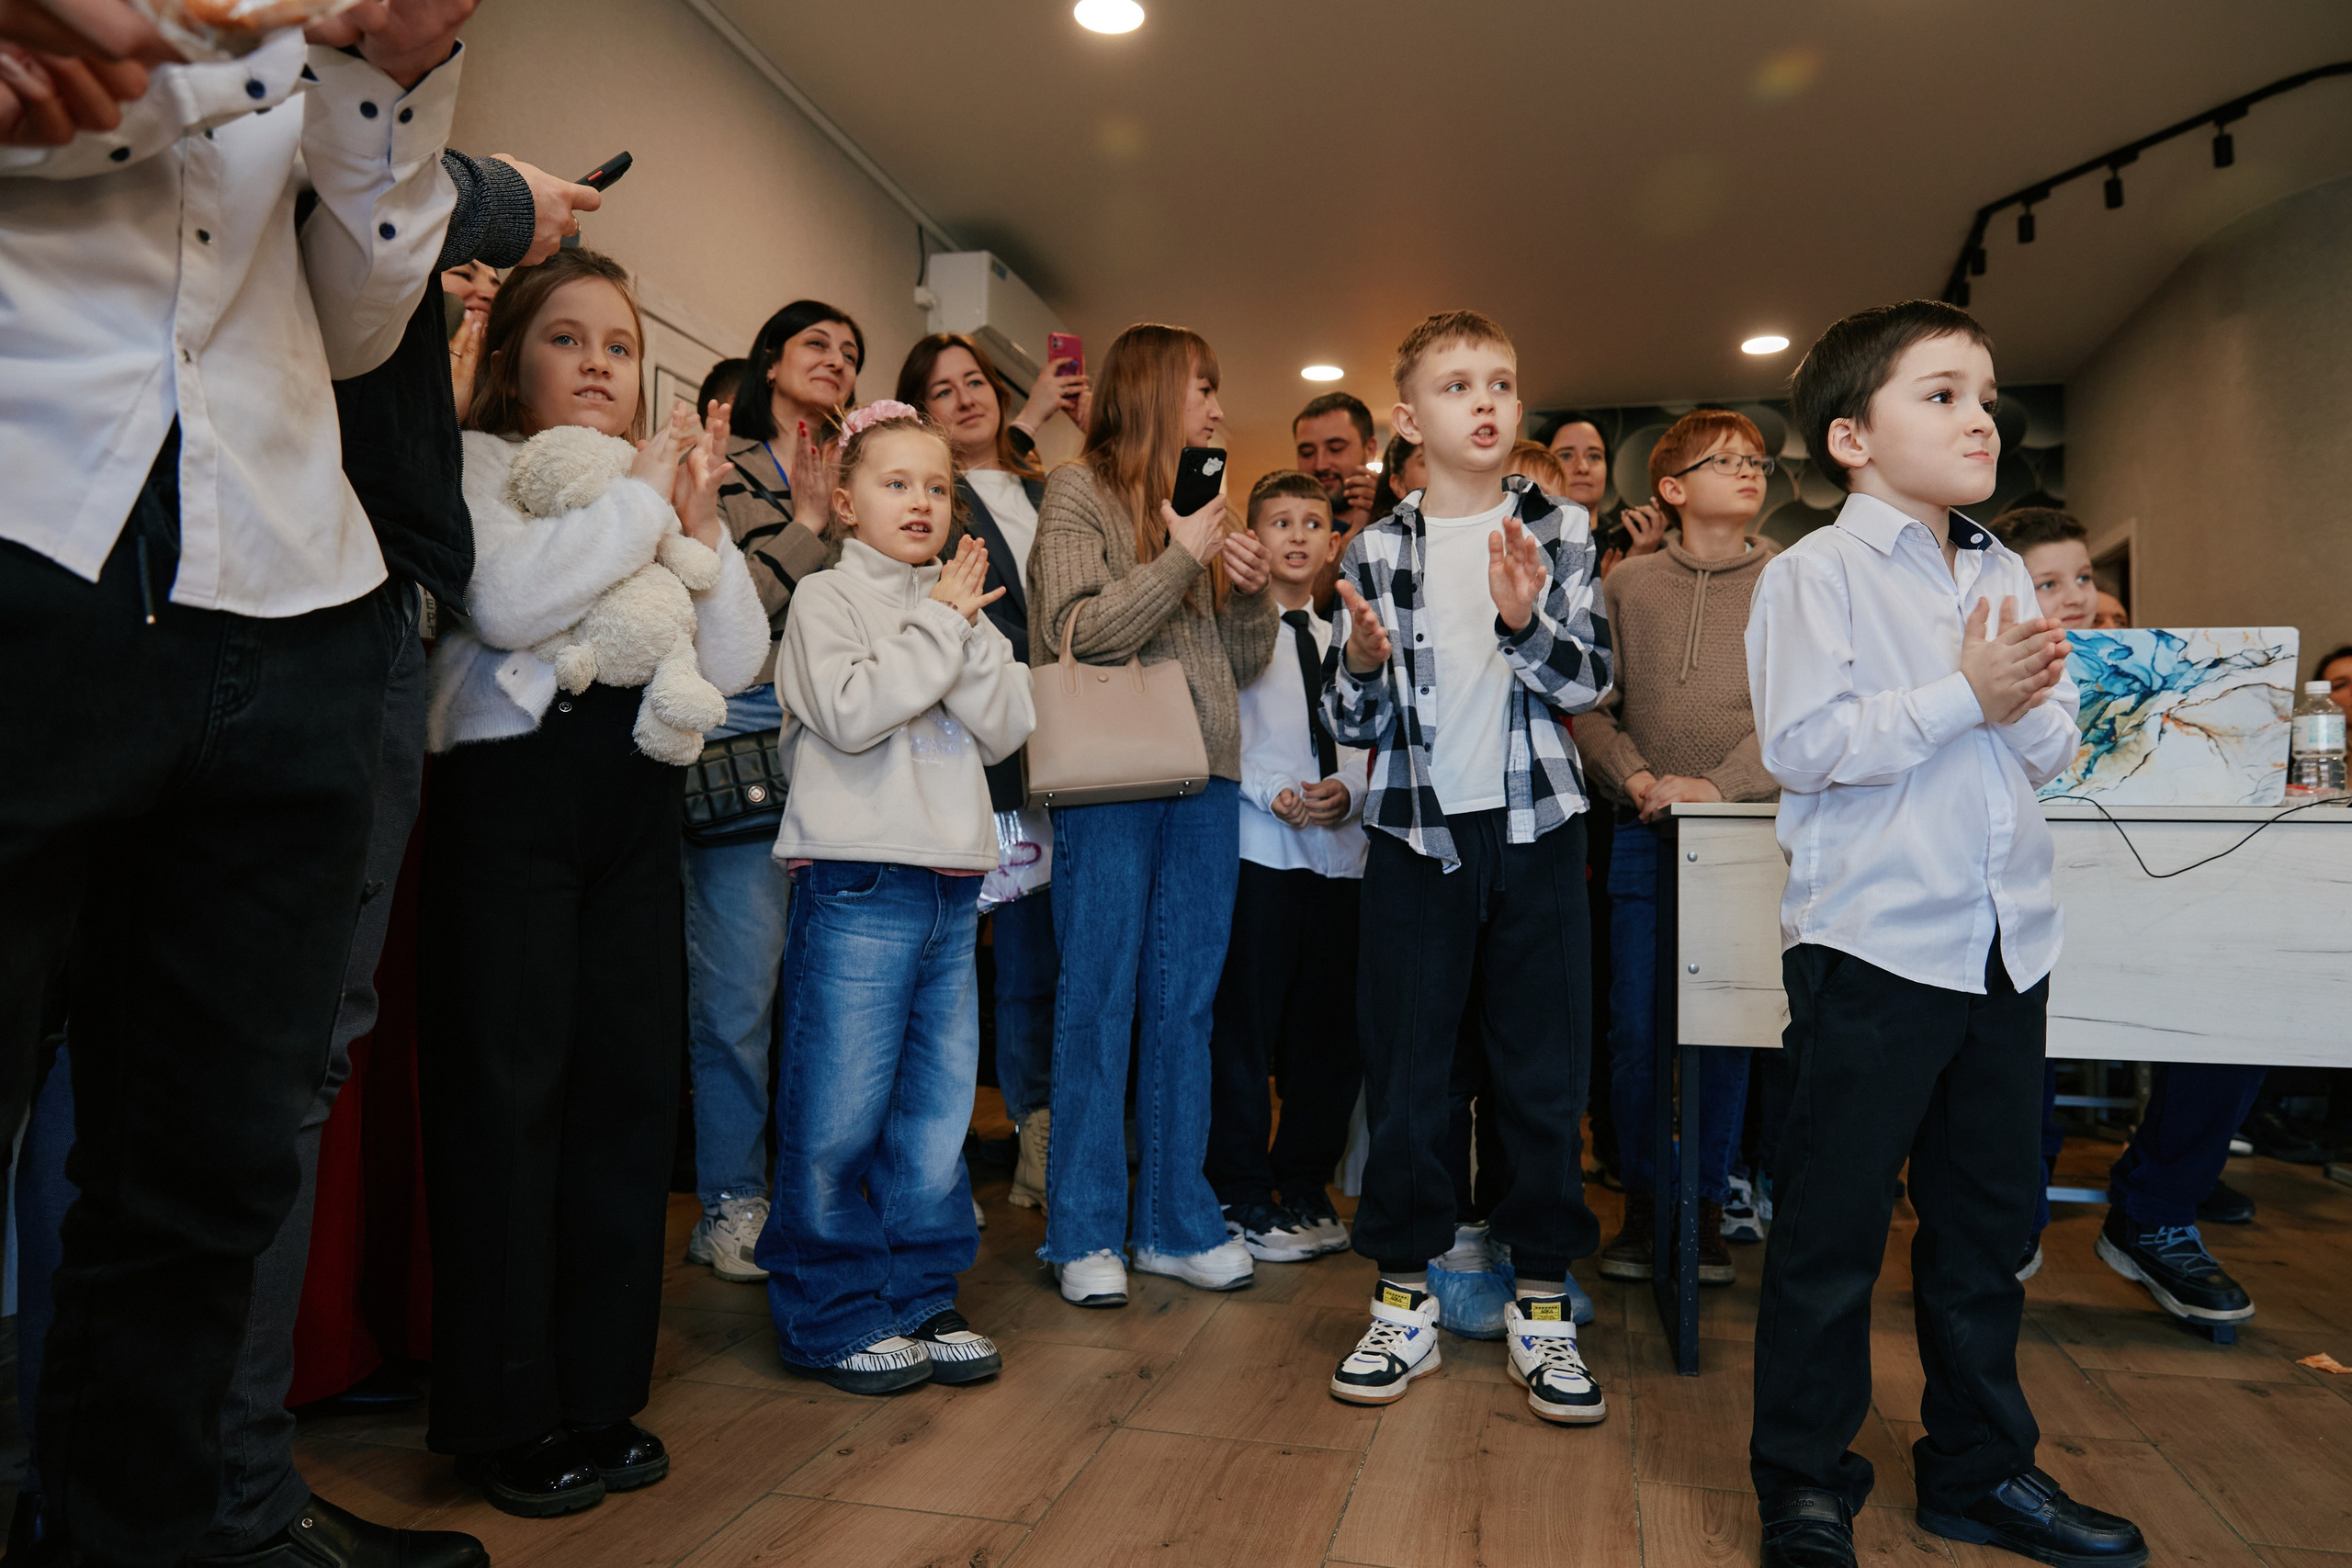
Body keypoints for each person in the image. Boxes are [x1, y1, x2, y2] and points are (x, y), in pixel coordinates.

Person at [0, 6, 473, 1560]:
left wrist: (388, 78)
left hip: (285, 579)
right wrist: (248, 39)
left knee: (205, 1190)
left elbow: (349, 325)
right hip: (27, 504)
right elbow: (74, 112)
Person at [1746, 300, 2144, 1568]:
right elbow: (1804, 745)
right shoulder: (1814, 572)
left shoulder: (2001, 569)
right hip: (1873, 946)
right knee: (1833, 1228)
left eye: (1986, 395)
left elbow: (2049, 745)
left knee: (1986, 1223)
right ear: (1853, 437)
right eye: (1942, 394)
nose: (1980, 416)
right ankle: (1805, 1478)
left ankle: (1980, 1468)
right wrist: (1957, 694)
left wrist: (2018, 698)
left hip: (2002, 940)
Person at [419, 248, 770, 1517]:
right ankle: (503, 1413)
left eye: (618, 346)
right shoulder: (474, 466)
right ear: (515, 358)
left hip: (635, 797)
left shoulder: (649, 492)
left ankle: (598, 1389)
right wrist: (641, 499)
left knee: (628, 1093)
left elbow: (729, 656)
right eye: (567, 340)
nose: (599, 364)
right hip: (510, 796)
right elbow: (509, 603)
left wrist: (705, 525)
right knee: (511, 1099)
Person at [1323, 310, 1611, 1427]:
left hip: (1536, 834)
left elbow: (1587, 683)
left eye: (1499, 381)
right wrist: (1353, 661)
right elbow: (1353, 716)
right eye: (1455, 386)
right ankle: (1406, 1298)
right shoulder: (1374, 548)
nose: (1483, 401)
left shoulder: (1562, 526)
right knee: (1409, 1080)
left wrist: (1525, 620)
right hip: (1413, 836)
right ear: (1408, 418)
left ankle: (1541, 1304)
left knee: (1542, 1075)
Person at [759, 400, 1037, 1392]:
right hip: (857, 877)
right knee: (838, 1112)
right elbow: (849, 712)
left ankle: (920, 1294)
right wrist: (941, 624)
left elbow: (1008, 724)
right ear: (843, 501)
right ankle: (828, 1307)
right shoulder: (829, 601)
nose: (921, 501)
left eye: (937, 486)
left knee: (932, 1115)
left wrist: (951, 624)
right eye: (895, 483)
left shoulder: (956, 600)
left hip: (952, 886)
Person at [1027, 321, 1277, 1309]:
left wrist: (1251, 597)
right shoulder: (1076, 492)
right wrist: (1181, 556)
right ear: (1152, 389)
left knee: (1185, 1005)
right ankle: (1082, 1231)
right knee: (1098, 998)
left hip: (1207, 783)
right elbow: (1076, 636)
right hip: (1114, 779)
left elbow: (1238, 666)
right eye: (1202, 387)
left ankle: (1175, 1222)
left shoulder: (1203, 506)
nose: (1217, 407)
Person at [671, 300, 865, 1286]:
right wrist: (810, 527)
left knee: (828, 1000)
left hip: (842, 754)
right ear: (770, 361)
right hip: (743, 748)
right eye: (816, 344)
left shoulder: (860, 476)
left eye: (850, 353)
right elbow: (730, 604)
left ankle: (816, 1195)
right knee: (739, 995)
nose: (836, 360)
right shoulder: (725, 459)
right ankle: (730, 1205)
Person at [1577, 409, 1781, 1293]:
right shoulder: (1629, 587)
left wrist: (1721, 787)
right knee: (1636, 1031)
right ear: (1671, 487)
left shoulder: (1791, 581)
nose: (1749, 470)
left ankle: (1702, 1208)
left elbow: (1805, 718)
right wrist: (1637, 778)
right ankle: (1645, 1207)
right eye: (1724, 460)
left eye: (1756, 459)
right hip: (1641, 829)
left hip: (1744, 835)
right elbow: (1586, 703)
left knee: (1724, 1027)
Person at [899, 331, 1088, 1214]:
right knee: (1016, 953)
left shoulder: (1052, 485)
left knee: (1069, 944)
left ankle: (1077, 1124)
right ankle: (1035, 1131)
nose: (967, 398)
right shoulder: (939, 499)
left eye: (976, 381)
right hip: (994, 755)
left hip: (1080, 741)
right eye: (944, 390)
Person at [1205, 469, 1367, 1262]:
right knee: (1245, 1026)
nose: (1297, 535)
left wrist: (1350, 788)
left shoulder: (1353, 641)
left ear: (1335, 543)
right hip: (1259, 850)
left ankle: (1303, 1182)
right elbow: (1223, 730)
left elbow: (1377, 740)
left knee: (1328, 1034)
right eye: (1279, 522)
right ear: (1252, 541)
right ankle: (1239, 1188)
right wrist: (1274, 792)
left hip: (1342, 858)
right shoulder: (1233, 633)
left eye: (1313, 523)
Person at [1295, 390, 1381, 613]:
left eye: (1336, 449)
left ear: (1369, 449)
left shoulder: (1403, 513)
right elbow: (1300, 604)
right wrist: (1356, 532)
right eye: (1306, 452)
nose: (1321, 464)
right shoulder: (1286, 526)